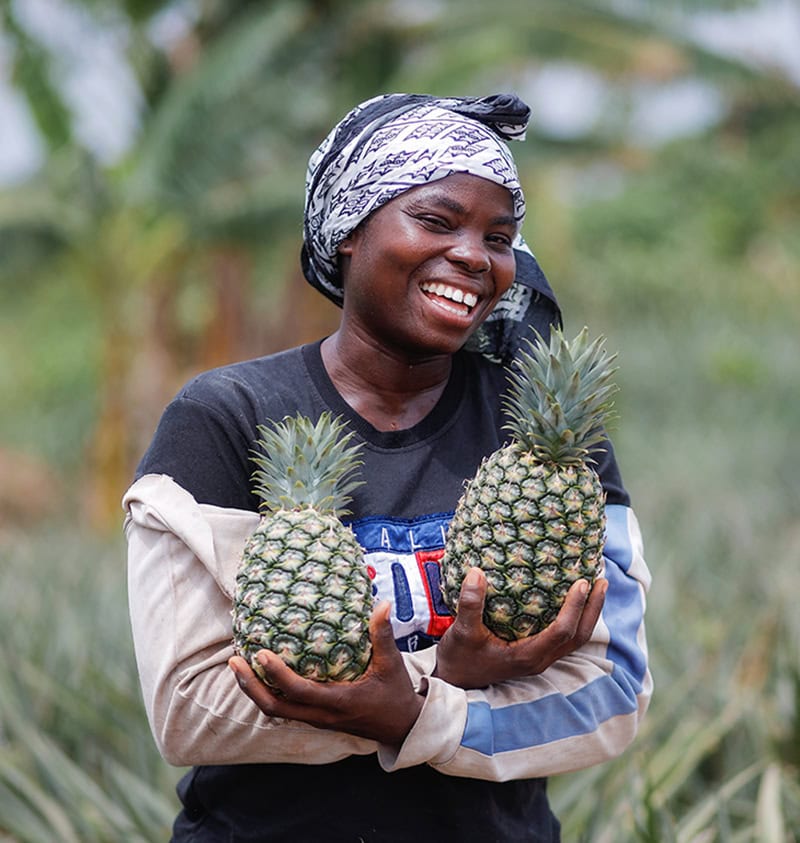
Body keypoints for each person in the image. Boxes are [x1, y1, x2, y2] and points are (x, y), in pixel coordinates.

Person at [124, 93, 652, 842]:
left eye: (498, 237)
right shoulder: (226, 416)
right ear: (349, 231)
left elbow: (612, 693)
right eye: (436, 221)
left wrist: (409, 708)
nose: (474, 255)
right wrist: (448, 692)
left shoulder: (547, 438)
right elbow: (192, 710)